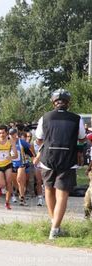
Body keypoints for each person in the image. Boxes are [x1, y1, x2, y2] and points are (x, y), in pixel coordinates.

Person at [34, 89, 86, 240]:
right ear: (68, 103)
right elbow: (82, 138)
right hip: (67, 159)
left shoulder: (45, 117)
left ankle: (54, 224)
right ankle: (55, 229)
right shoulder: (77, 119)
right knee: (62, 194)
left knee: (49, 190)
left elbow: (38, 139)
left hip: (48, 158)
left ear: (53, 102)